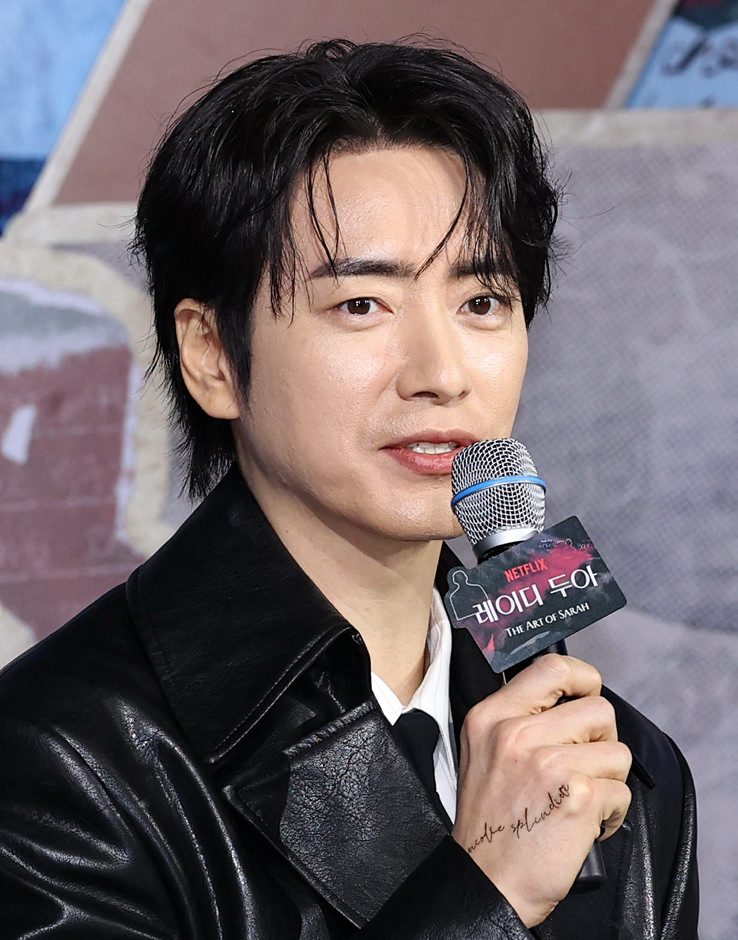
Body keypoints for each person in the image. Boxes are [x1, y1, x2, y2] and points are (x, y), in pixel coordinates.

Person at [0, 39, 698, 938]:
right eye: (362, 305)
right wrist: (482, 894)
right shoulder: (62, 762)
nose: (440, 374)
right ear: (212, 356)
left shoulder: (628, 772)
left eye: (481, 302)